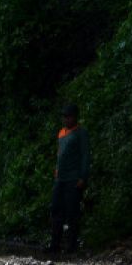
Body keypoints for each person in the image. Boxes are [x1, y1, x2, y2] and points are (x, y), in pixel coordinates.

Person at [50, 103, 91, 254]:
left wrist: (83, 176)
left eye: (69, 116)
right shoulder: (61, 133)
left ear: (75, 117)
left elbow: (85, 155)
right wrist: (56, 171)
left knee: (72, 212)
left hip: (74, 178)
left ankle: (71, 246)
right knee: (56, 210)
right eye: (64, 116)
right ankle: (55, 244)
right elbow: (60, 154)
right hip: (60, 178)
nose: (66, 119)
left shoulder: (81, 133)